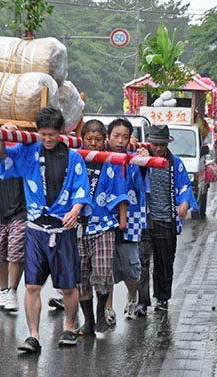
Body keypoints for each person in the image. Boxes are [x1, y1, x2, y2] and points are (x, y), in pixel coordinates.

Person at [0, 107, 92, 351]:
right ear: (38, 132)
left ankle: (69, 328)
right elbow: (3, 158)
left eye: (51, 134)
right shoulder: (29, 152)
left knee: (68, 286)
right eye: (43, 134)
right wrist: (1, 136)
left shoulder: (73, 158)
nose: (47, 139)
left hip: (63, 229)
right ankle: (33, 336)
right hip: (36, 230)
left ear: (60, 132)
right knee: (31, 286)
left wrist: (76, 209)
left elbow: (81, 189)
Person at [76, 119, 129, 335]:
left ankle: (100, 313)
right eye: (89, 139)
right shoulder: (74, 159)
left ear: (104, 139)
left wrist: (122, 219)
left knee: (103, 273)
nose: (93, 143)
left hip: (104, 225)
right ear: (82, 139)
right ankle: (87, 321)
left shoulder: (112, 161)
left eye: (98, 139)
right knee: (80, 277)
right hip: (77, 226)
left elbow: (120, 191)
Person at [138, 125, 198, 314]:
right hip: (144, 219)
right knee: (142, 261)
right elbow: (133, 181)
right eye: (155, 144)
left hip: (166, 220)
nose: (158, 148)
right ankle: (142, 301)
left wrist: (184, 203)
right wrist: (141, 161)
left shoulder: (176, 163)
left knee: (164, 262)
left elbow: (184, 187)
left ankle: (162, 298)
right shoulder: (142, 160)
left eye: (162, 144)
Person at [105, 118, 147, 320]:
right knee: (106, 268)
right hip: (105, 219)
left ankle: (132, 295)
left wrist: (144, 162)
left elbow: (142, 185)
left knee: (131, 269)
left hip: (131, 219)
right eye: (116, 136)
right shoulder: (99, 157)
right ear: (108, 137)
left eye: (124, 137)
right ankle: (108, 308)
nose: (120, 141)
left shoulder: (134, 160)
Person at [0, 176, 27, 312]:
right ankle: (3, 291)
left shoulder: (20, 155)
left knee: (16, 249)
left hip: (21, 209)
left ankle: (12, 290)